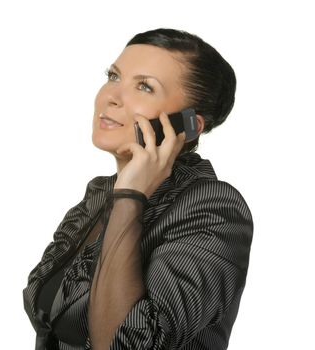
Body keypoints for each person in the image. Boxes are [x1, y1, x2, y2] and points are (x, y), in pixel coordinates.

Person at [22, 28, 253, 350]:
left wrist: (132, 196)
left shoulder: (212, 207)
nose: (111, 96)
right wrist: (125, 193)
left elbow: (126, 344)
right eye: (113, 76)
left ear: (188, 124)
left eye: (144, 86)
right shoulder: (99, 197)